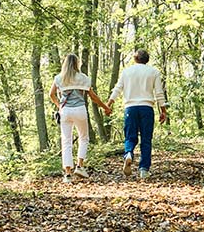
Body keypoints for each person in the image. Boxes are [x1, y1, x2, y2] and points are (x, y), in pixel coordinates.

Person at [49, 54, 112, 183]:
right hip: (80, 110)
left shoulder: (59, 78)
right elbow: (93, 96)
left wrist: (59, 106)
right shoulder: (83, 78)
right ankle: (80, 166)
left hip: (65, 111)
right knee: (84, 138)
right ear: (77, 63)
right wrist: (105, 107)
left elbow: (51, 94)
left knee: (66, 141)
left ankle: (67, 174)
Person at [107, 49, 167, 179]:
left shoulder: (127, 72)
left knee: (130, 136)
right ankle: (144, 169)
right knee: (146, 139)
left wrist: (109, 103)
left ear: (135, 59)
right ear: (147, 59)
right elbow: (159, 93)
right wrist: (163, 110)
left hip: (130, 108)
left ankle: (128, 153)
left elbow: (117, 88)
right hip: (147, 108)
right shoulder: (154, 72)